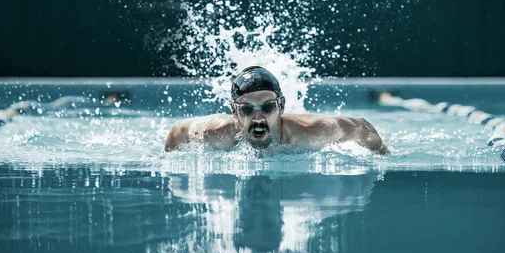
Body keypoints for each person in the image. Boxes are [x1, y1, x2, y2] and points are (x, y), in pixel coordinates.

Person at [164, 66, 389, 153]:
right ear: (234, 112)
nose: (258, 116)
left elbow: (361, 126)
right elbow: (177, 132)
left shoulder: (312, 131)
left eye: (268, 106)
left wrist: (382, 153)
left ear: (281, 106)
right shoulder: (215, 134)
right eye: (246, 109)